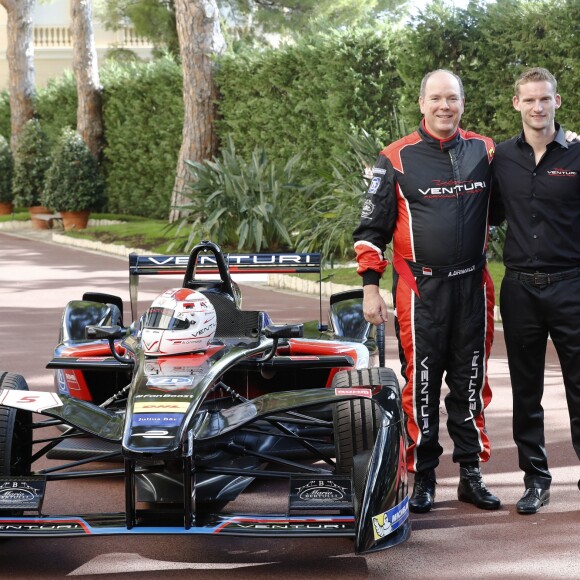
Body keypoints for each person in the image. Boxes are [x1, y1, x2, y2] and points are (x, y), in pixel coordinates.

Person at [353, 69, 503, 513]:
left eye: (452, 98)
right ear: (421, 104)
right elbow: (369, 230)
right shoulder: (395, 158)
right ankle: (424, 477)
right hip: (420, 290)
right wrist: (369, 288)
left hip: (473, 286)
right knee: (420, 385)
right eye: (436, 98)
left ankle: (471, 474)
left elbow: (526, 180)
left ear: (462, 103)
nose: (444, 106)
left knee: (471, 383)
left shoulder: (486, 150)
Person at [492, 67, 580, 515]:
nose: (537, 107)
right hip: (520, 291)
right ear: (517, 104)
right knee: (526, 394)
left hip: (572, 288)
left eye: (545, 99)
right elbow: (482, 213)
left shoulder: (578, 153)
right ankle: (535, 481)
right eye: (529, 100)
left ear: (557, 102)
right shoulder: (501, 158)